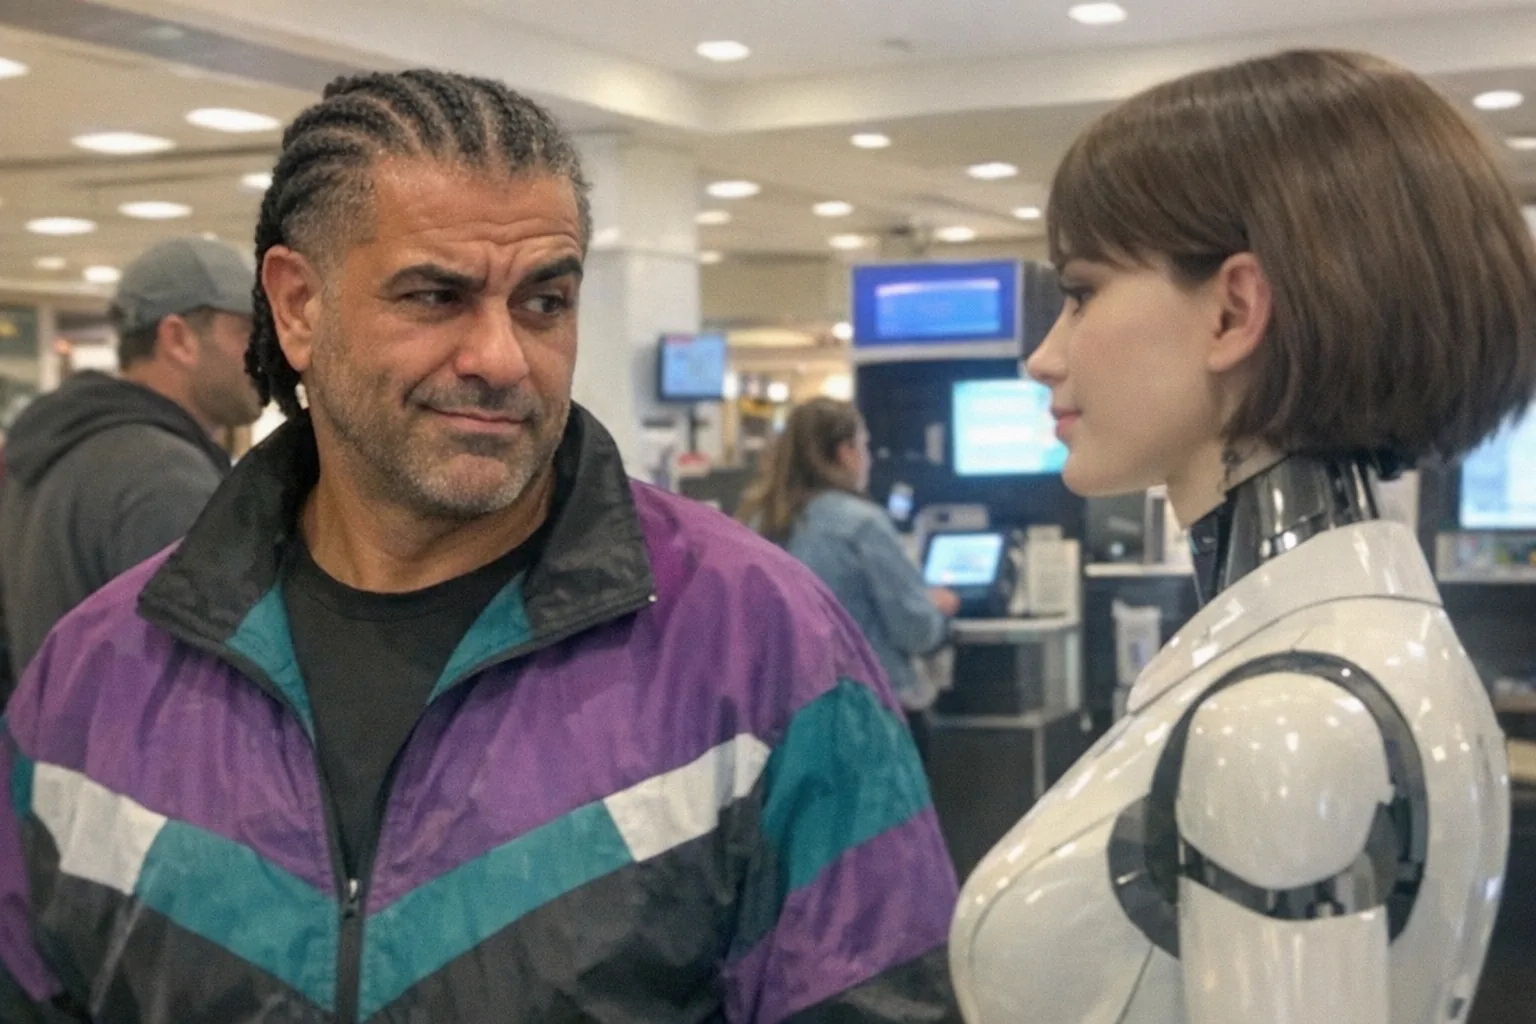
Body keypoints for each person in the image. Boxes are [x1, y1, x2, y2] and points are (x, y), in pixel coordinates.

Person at [0, 70, 960, 1023]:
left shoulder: (759, 646)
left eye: (544, 302)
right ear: (296, 308)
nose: (501, 358)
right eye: (434, 296)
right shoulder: (98, 678)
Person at [950, 50, 1535, 1023]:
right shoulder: (1366, 644)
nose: (1043, 354)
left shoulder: (1282, 719)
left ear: (1234, 308)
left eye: (1082, 290)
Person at [0, 236, 261, 694]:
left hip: (60, 755)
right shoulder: (164, 477)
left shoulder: (59, 445)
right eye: (248, 333)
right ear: (178, 339)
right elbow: (206, 688)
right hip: (135, 762)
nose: (267, 355)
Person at [739, 398, 958, 759]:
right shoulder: (862, 524)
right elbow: (915, 630)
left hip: (785, 722)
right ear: (846, 453)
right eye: (865, 446)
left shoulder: (757, 523)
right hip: (871, 717)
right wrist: (935, 610)